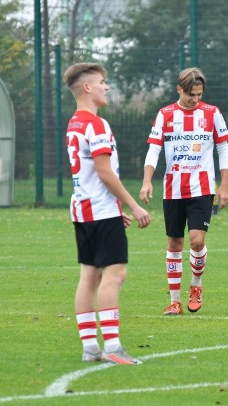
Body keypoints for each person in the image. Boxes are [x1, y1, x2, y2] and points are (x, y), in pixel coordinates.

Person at [64, 62, 151, 365]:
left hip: (84, 210)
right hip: (100, 211)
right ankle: (112, 347)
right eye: (102, 82)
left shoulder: (74, 123)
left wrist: (116, 209)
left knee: (89, 276)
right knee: (115, 275)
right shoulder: (96, 124)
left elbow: (90, 174)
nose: (107, 86)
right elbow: (103, 172)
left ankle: (90, 348)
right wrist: (133, 204)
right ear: (87, 87)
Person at [140, 67, 228, 316]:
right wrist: (147, 181)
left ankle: (196, 286)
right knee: (174, 243)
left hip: (202, 188)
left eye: (200, 94)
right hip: (172, 189)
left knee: (197, 240)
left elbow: (223, 149)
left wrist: (224, 185)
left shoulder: (212, 114)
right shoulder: (165, 114)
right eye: (191, 94)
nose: (195, 99)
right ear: (179, 89)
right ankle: (174, 301)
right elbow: (154, 149)